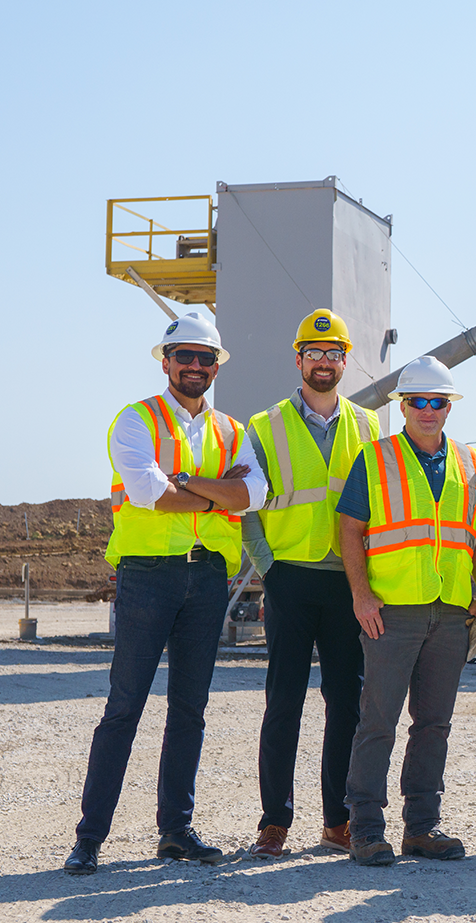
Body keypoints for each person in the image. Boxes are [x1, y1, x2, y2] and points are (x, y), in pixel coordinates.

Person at [65, 312, 267, 876]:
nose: (196, 366)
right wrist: (217, 495)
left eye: (206, 358)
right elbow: (149, 492)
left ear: (216, 366)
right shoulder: (136, 420)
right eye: (185, 356)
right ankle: (89, 838)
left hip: (206, 579)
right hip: (148, 575)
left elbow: (255, 492)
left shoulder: (232, 430)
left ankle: (175, 832)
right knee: (124, 706)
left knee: (190, 710)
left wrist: (192, 487)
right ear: (165, 361)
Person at [335, 355, 476, 866]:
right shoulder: (375, 457)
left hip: (450, 612)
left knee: (434, 724)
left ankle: (422, 828)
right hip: (393, 610)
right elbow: (348, 529)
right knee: (377, 720)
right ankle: (365, 828)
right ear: (402, 406)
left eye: (438, 402)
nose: (429, 410)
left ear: (449, 408)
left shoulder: (470, 463)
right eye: (419, 401)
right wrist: (361, 595)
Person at [240, 309, 381, 858]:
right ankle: (274, 822)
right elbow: (248, 506)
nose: (324, 363)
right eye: (314, 353)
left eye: (334, 354)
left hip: (348, 582)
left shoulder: (368, 426)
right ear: (298, 359)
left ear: (346, 361)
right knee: (284, 704)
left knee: (345, 703)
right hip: (290, 579)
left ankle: (337, 821)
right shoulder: (263, 426)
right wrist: (268, 567)